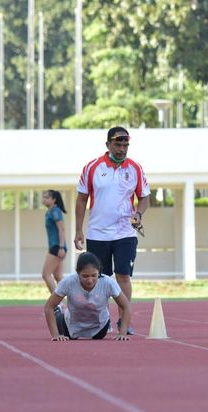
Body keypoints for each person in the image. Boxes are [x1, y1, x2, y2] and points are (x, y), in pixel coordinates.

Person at [74, 126, 150, 335]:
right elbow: (81, 199)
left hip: (125, 232)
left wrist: (139, 214)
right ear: (108, 144)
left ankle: (123, 320)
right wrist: (79, 230)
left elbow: (144, 197)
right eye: (118, 144)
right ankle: (102, 320)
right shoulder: (93, 167)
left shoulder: (135, 168)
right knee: (100, 278)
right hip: (97, 233)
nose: (122, 149)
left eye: (125, 145)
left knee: (123, 275)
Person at [44, 252, 131, 341]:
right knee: (62, 325)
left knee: (98, 338)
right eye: (85, 276)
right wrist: (56, 335)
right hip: (70, 325)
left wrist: (122, 333)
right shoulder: (68, 282)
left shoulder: (108, 283)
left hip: (99, 328)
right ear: (78, 273)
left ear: (99, 272)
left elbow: (126, 306)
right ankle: (59, 312)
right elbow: (49, 307)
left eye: (94, 275)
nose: (90, 280)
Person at [42, 189, 68, 294]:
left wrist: (61, 247)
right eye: (43, 197)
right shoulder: (48, 212)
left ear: (54, 199)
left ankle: (57, 304)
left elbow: (61, 229)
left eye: (47, 197)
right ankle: (72, 302)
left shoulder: (55, 211)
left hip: (58, 247)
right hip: (54, 247)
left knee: (46, 275)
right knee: (58, 276)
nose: (44, 199)